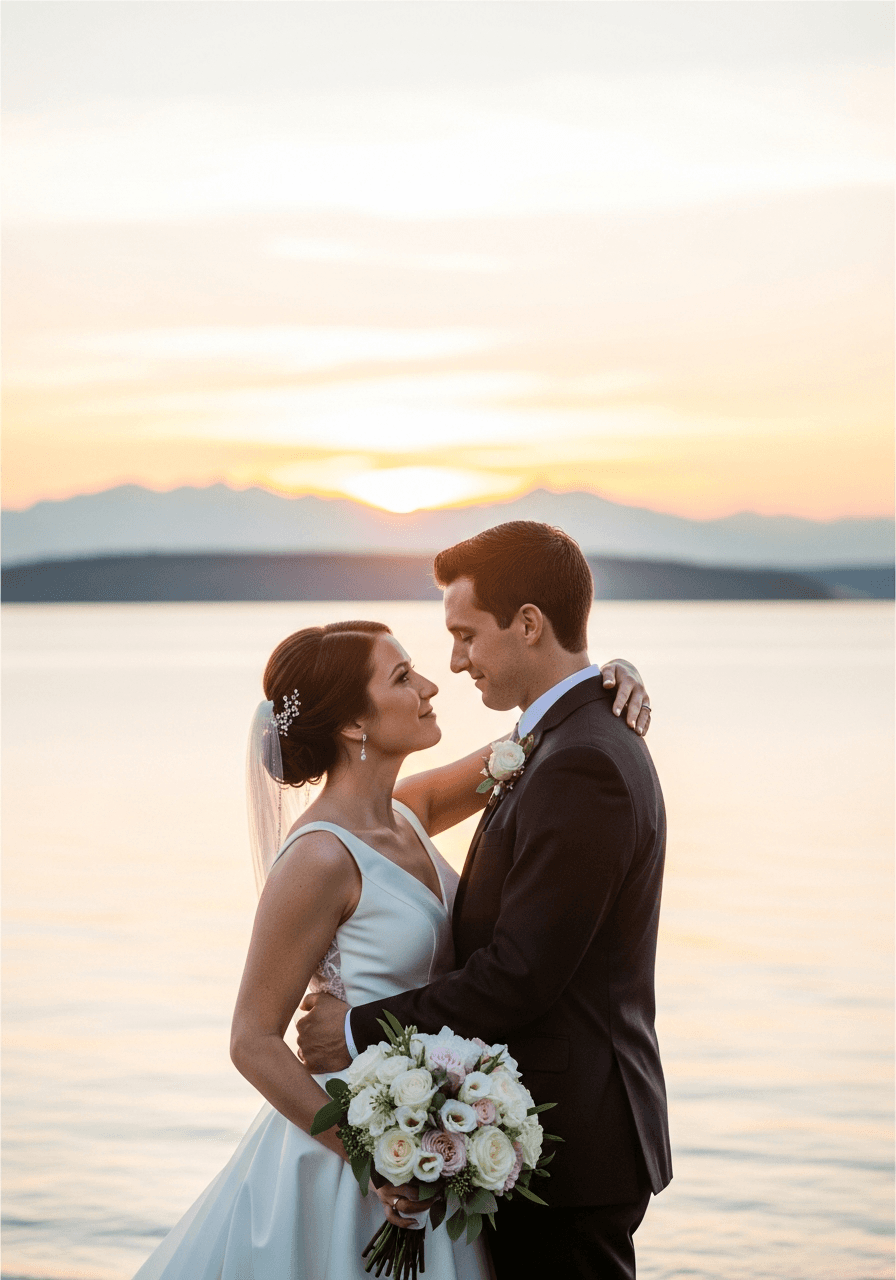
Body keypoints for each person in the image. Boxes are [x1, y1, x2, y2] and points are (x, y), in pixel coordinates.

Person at [132, 598, 651, 1279]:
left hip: (430, 1137)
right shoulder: (319, 859)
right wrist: (367, 1154)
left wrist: (612, 677)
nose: (432, 685)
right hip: (355, 1154)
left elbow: (537, 738)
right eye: (403, 677)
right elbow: (251, 1040)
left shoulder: (410, 812)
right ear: (354, 721)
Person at [296, 521, 671, 1280]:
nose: (452, 664)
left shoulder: (582, 761)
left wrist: (354, 1031)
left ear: (528, 623)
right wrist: (608, 675)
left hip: (569, 1149)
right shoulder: (548, 743)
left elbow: (521, 975)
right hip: (516, 1145)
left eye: (464, 635)